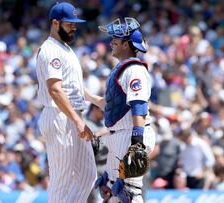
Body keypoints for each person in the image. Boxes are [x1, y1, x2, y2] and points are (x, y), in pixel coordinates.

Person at [85, 17, 155, 203]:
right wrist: (87, 95)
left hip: (131, 135)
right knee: (110, 189)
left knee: (129, 191)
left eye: (116, 41)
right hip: (119, 135)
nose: (111, 43)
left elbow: (139, 105)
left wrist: (137, 141)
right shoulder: (120, 69)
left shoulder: (135, 70)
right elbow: (110, 106)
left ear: (126, 44)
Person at [36, 2, 96, 203]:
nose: (74, 27)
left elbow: (72, 87)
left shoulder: (65, 49)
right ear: (55, 23)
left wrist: (97, 100)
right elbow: (55, 90)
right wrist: (77, 120)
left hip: (72, 113)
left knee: (88, 175)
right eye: (70, 23)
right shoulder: (50, 49)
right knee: (61, 181)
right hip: (59, 116)